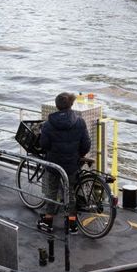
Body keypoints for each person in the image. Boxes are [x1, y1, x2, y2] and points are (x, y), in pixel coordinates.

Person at [38, 92, 91, 232]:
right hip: (72, 164)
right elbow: (86, 144)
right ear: (71, 104)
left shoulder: (49, 124)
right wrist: (79, 155)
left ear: (56, 106)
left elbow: (43, 145)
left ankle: (48, 222)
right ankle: (72, 224)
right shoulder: (80, 121)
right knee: (71, 192)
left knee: (52, 191)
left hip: (54, 163)